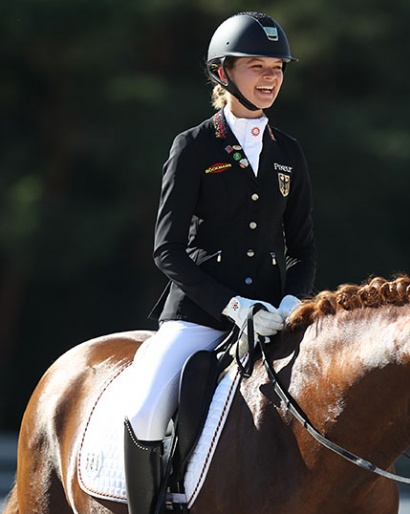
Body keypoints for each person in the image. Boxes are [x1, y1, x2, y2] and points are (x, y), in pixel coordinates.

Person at [122, 12, 317, 514]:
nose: (271, 77)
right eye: (257, 66)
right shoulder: (193, 146)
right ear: (223, 73)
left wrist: (292, 301)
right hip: (201, 315)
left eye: (278, 67)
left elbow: (303, 247)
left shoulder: (289, 152)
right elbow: (166, 249)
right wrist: (232, 306)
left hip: (274, 316)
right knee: (145, 411)